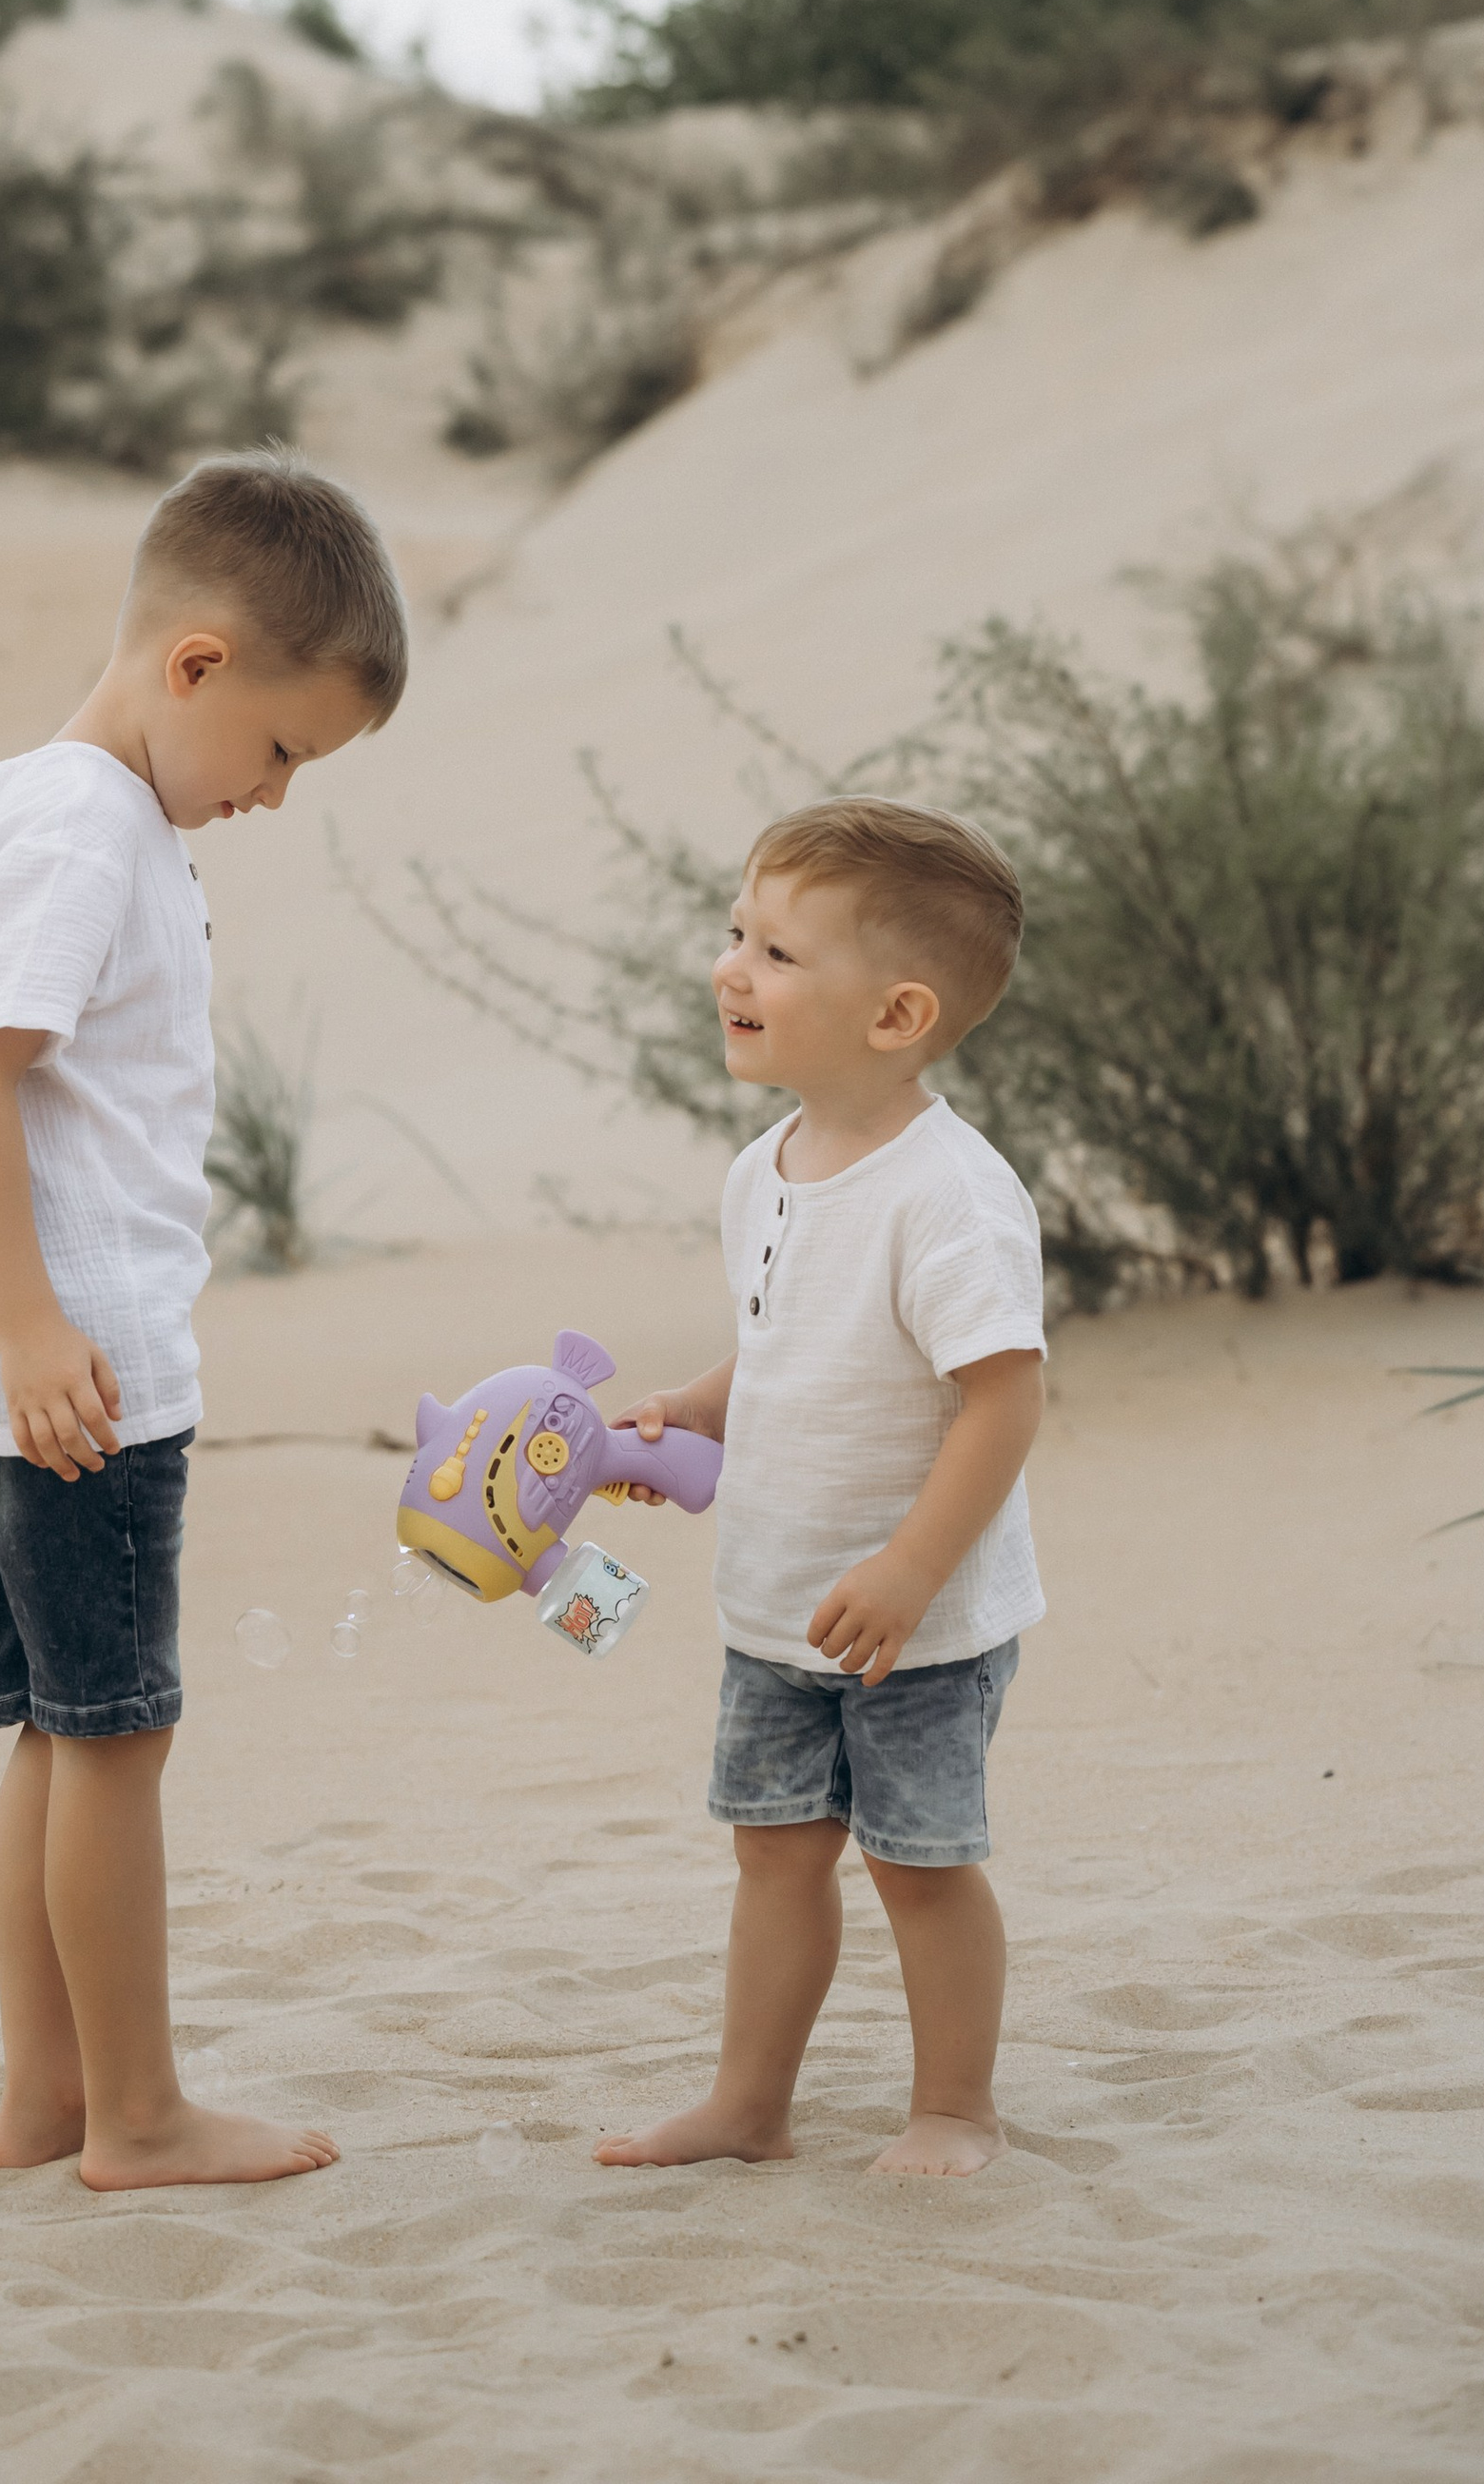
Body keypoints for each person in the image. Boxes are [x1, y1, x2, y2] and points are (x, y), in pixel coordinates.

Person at [0, 448, 407, 2189]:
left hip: (8, 1362)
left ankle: (44, 2102)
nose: (279, 794)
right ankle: (137, 2114)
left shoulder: (71, 806)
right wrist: (30, 1327)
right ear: (200, 664)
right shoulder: (86, 820)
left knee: (64, 1736)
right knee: (120, 1737)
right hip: (63, 1371)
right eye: (286, 749)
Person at [596, 797, 1045, 2180]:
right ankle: (750, 2104)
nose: (732, 968)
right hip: (776, 1610)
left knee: (919, 1866)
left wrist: (912, 1567)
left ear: (897, 1013)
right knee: (776, 1859)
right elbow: (789, 1345)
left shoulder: (948, 1200)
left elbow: (1003, 1398)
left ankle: (954, 2110)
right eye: (738, 935)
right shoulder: (764, 1172)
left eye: (779, 955)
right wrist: (691, 1410)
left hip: (914, 1624)